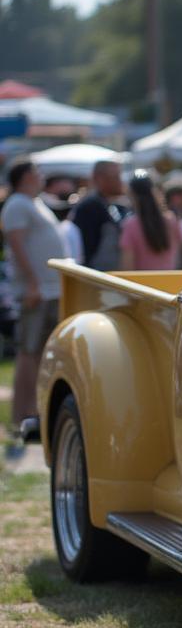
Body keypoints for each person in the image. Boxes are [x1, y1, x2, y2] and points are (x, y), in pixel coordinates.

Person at [0, 160, 69, 443]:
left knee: (40, 351)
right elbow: (16, 244)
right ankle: (20, 417)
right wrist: (31, 282)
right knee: (29, 351)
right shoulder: (17, 204)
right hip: (37, 290)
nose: (41, 176)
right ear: (25, 177)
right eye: (36, 172)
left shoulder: (32, 202)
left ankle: (33, 413)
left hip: (48, 289)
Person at [119, 174, 182, 270]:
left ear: (132, 195)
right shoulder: (171, 220)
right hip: (170, 280)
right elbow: (179, 255)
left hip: (141, 283)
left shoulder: (130, 225)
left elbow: (127, 265)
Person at [72, 160, 125, 269]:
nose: (121, 182)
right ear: (100, 179)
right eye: (116, 177)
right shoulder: (91, 207)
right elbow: (86, 250)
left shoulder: (104, 204)